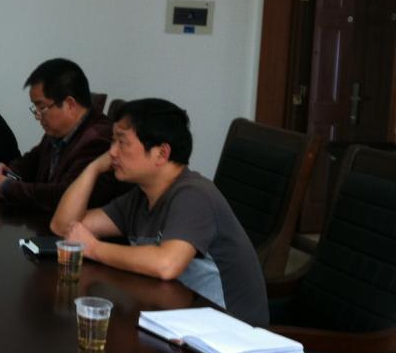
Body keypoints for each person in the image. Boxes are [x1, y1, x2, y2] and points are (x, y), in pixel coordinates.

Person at [51, 98, 269, 326]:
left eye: (122, 143)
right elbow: (64, 226)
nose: (112, 152)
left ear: (162, 153)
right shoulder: (141, 196)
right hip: (183, 320)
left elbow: (167, 264)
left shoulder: (194, 195)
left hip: (231, 332)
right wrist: (93, 168)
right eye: (112, 142)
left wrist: (94, 248)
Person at [0, 58, 126, 212]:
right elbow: (31, 162)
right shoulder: (59, 131)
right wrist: (8, 173)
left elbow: (65, 194)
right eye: (35, 108)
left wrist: (7, 188)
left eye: (41, 107)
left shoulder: (98, 138)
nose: (37, 116)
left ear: (70, 104)